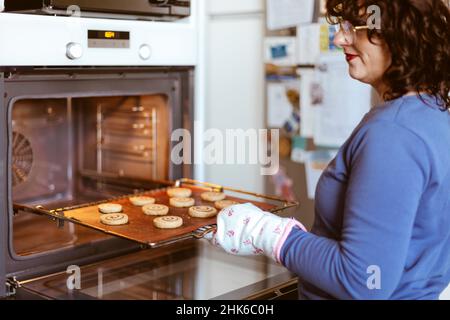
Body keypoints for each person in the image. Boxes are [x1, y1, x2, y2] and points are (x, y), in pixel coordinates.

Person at [207, 0, 450, 300]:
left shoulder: (392, 133)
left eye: (353, 28)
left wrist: (267, 233)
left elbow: (364, 280)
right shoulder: (434, 113)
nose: (339, 39)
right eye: (340, 26)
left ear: (399, 32)